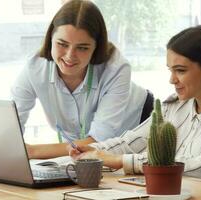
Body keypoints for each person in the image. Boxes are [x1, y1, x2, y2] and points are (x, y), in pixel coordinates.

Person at [70, 25, 201, 185]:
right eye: (170, 70)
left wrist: (121, 161)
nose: (172, 80)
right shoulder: (174, 107)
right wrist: (92, 151)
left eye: (180, 70)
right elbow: (131, 142)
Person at [11, 0, 153, 159]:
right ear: (50, 38)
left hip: (136, 128)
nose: (70, 55)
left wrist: (32, 152)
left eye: (82, 48)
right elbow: (12, 124)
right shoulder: (34, 67)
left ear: (96, 47)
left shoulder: (116, 68)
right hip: (80, 146)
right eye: (62, 44)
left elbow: (100, 140)